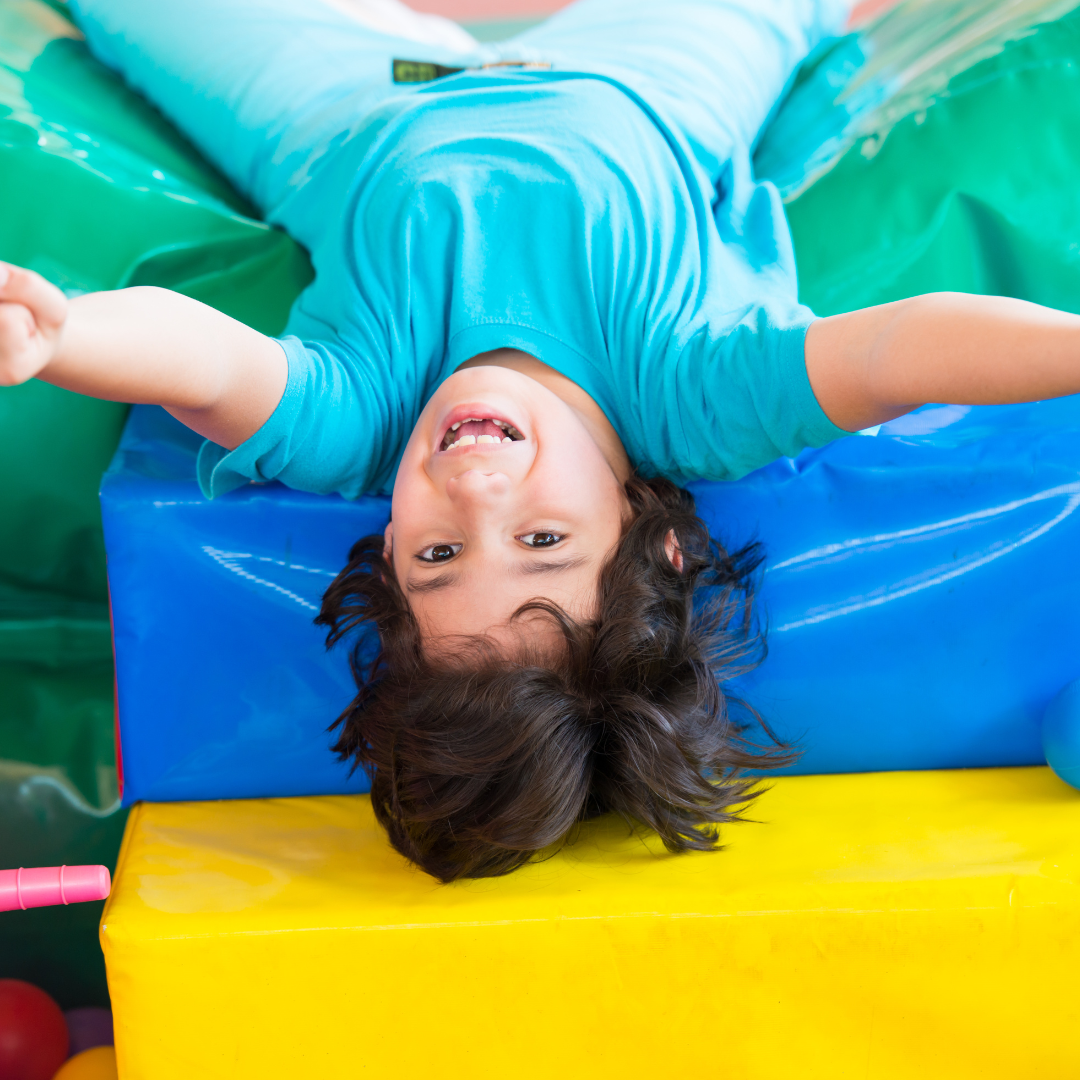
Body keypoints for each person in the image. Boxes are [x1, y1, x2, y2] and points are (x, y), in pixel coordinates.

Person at [3, 0, 1080, 880]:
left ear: (387, 556)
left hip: (349, 106)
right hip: (649, 75)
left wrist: (64, 331)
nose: (475, 493)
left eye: (436, 557)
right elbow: (907, 352)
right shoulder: (695, 395)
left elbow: (202, 361)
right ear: (652, 542)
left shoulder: (355, 422)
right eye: (543, 542)